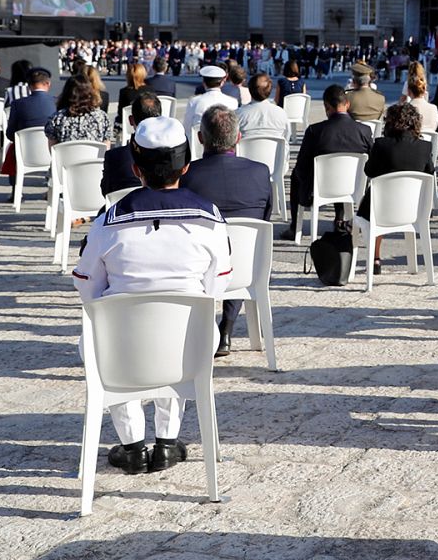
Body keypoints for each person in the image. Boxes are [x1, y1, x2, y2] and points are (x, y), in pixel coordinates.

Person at [72, 116, 232, 475]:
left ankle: (131, 445)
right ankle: (166, 441)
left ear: (135, 168)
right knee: (187, 326)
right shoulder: (210, 218)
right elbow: (217, 284)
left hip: (121, 351)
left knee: (104, 333)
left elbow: (86, 285)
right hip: (188, 347)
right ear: (186, 166)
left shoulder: (108, 221)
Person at [181, 106, 274, 356]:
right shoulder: (260, 172)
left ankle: (206, 329)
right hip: (248, 268)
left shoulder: (189, 176)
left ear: (201, 138)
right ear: (238, 137)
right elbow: (265, 218)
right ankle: (227, 328)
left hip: (202, 269)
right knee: (238, 248)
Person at [286, 85, 375, 240]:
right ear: (347, 104)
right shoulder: (364, 130)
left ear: (326, 107)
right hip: (353, 186)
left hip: (322, 187)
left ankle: (295, 226)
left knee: (296, 174)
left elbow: (301, 166)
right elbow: (373, 162)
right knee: (343, 171)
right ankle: (339, 218)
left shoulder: (315, 131)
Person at [357, 102, 437, 271]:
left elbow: (369, 171)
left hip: (381, 210)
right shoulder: (424, 146)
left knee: (374, 199)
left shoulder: (381, 145)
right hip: (414, 209)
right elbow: (430, 171)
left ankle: (375, 258)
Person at [102, 92, 163, 196]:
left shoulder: (114, 157)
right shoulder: (169, 155)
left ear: (131, 120)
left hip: (124, 209)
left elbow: (106, 192)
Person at [45, 75, 112, 147]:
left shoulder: (56, 119)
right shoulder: (102, 117)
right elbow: (106, 147)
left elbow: (53, 150)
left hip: (67, 157)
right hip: (94, 158)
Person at [5, 69, 57, 141]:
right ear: (48, 83)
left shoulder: (17, 104)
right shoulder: (57, 103)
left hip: (27, 150)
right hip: (51, 149)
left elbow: (10, 134)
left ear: (29, 86)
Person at [184, 66, 237, 134]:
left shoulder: (194, 101)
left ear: (204, 82)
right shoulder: (233, 102)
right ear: (222, 82)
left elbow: (187, 128)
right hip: (226, 142)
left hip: (200, 143)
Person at [236, 73, 289, 140]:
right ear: (270, 91)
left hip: (247, 150)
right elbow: (286, 136)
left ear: (249, 90)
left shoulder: (238, 114)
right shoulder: (281, 113)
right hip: (274, 150)